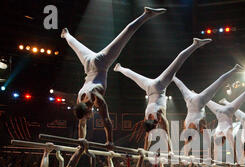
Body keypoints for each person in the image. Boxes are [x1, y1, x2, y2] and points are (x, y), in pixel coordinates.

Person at [62, 7, 167, 149]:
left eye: (88, 115)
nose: (89, 117)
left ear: (87, 110)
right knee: (75, 45)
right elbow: (81, 123)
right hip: (88, 64)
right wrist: (81, 141)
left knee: (125, 36)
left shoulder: (97, 98)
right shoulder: (80, 98)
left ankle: (146, 14)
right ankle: (67, 35)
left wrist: (110, 141)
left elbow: (107, 121)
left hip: (101, 63)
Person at [114, 37, 213, 151]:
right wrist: (145, 152)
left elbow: (167, 135)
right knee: (134, 76)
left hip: (159, 86)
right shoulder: (147, 118)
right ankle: (120, 68)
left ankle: (195, 44)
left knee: (177, 63)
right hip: (148, 87)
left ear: (154, 124)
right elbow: (148, 137)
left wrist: (171, 152)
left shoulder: (159, 115)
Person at [173, 64, 243, 156]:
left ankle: (235, 69)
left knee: (218, 83)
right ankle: (173, 77)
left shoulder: (197, 125)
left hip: (199, 101)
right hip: (189, 99)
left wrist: (209, 156)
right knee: (180, 85)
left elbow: (206, 138)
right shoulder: (186, 125)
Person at [207, 82, 245, 160]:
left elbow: (229, 148)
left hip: (228, 113)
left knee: (244, 96)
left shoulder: (224, 134)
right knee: (206, 101)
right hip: (226, 113)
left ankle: (225, 101)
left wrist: (235, 159)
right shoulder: (218, 134)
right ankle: (225, 101)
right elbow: (222, 148)